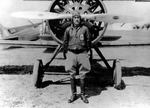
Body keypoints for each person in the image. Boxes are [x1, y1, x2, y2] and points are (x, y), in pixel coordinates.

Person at [63, 11, 91, 103]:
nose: (76, 19)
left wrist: (88, 51)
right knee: (72, 74)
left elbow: (88, 41)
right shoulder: (68, 30)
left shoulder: (85, 29)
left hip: (82, 53)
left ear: (80, 19)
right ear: (72, 19)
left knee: (83, 74)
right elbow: (65, 42)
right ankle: (73, 95)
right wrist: (66, 53)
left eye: (78, 18)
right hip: (71, 53)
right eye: (75, 18)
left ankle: (83, 95)